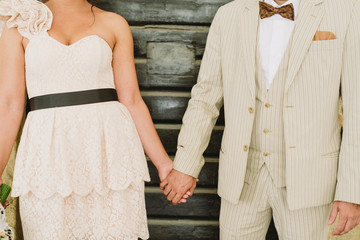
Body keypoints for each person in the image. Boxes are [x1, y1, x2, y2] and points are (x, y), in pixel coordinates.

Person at [161, 0, 360, 239]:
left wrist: (352, 191)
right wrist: (185, 164)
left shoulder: (346, 11)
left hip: (310, 179)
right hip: (241, 176)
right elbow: (205, 98)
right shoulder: (228, 15)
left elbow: (356, 109)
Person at [0, 0, 181, 238]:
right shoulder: (19, 24)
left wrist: (164, 165)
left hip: (107, 155)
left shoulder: (115, 23)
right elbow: (9, 106)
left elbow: (132, 100)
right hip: (46, 157)